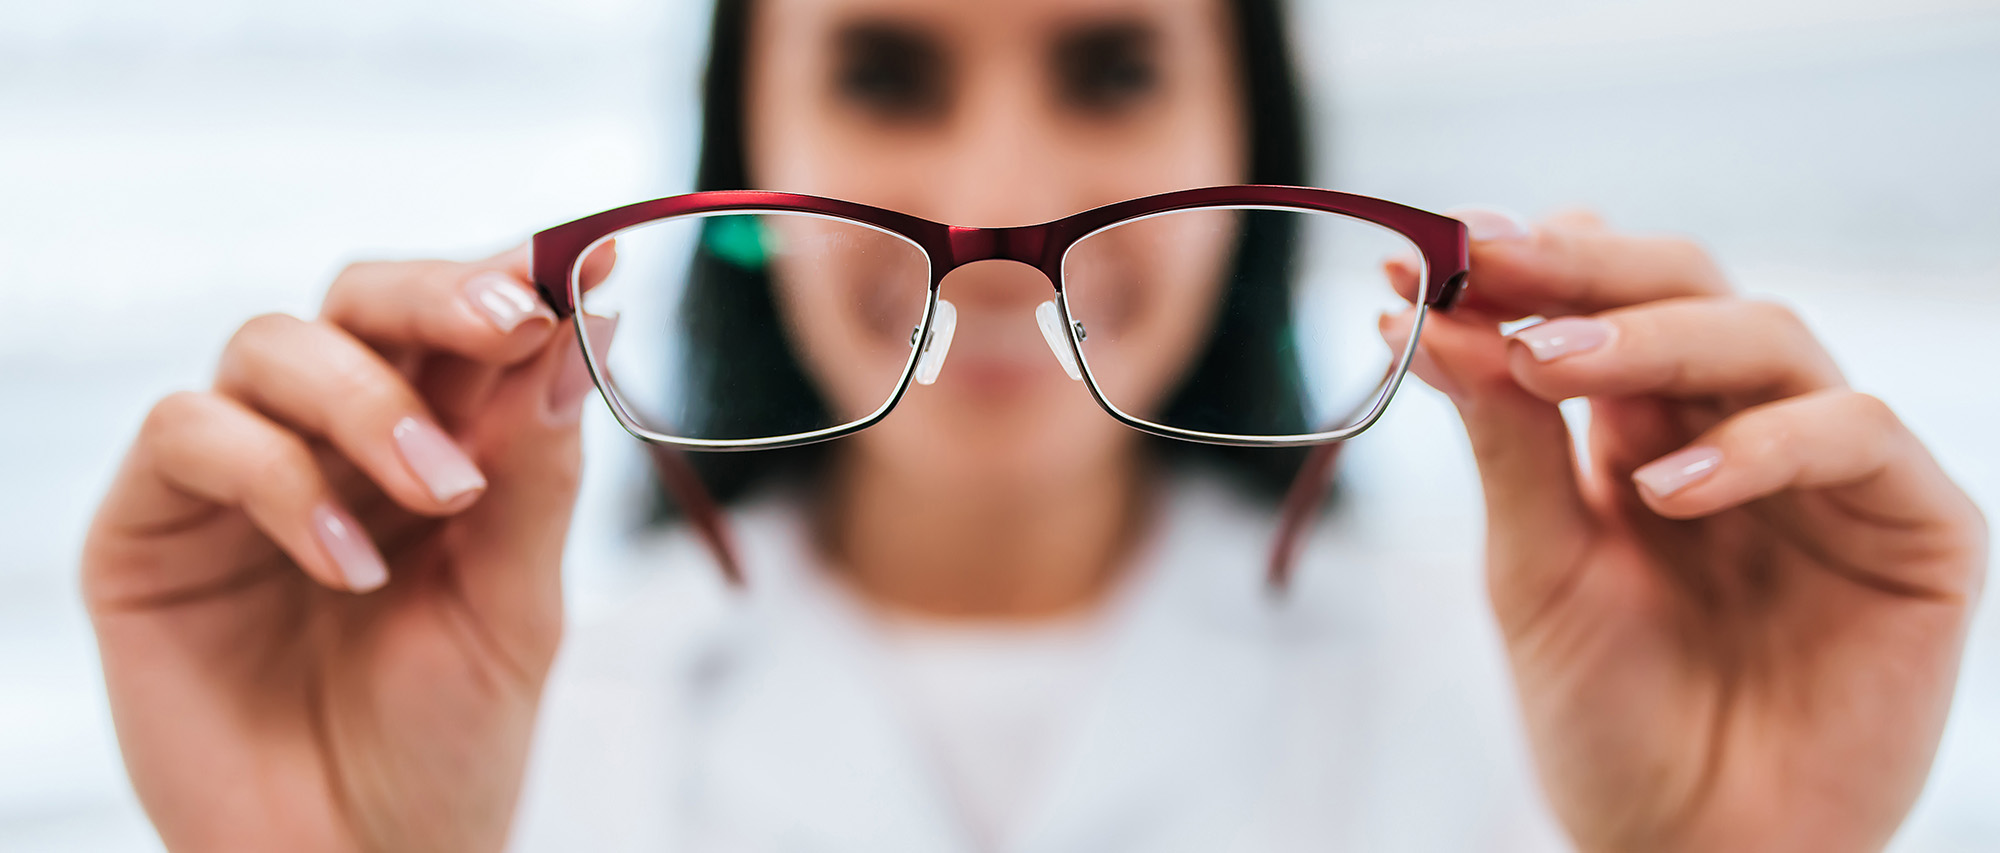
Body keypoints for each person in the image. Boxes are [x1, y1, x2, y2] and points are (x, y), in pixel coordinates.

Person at [80, 0, 1987, 850]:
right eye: (891, 69)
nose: (996, 211)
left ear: (1260, 151)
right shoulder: (489, 759)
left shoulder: (1526, 734)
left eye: (1109, 63)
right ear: (739, 176)